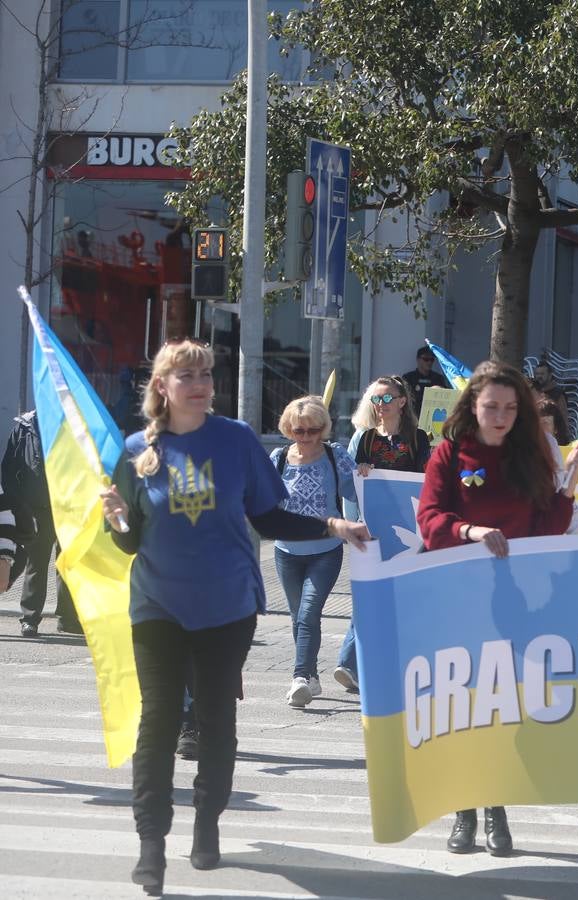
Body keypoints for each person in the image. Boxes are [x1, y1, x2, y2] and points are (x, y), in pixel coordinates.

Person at [98, 339, 369, 895]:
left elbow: (268, 515)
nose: (199, 383)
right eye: (186, 375)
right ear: (163, 386)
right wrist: (118, 520)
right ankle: (151, 844)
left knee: (217, 718)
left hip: (226, 606)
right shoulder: (134, 450)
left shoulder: (237, 440)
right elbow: (126, 545)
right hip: (158, 608)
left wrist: (330, 526)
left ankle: (206, 821)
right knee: (159, 721)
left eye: (205, 374)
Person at [416, 360, 578, 858]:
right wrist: (470, 533)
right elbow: (429, 520)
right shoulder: (449, 454)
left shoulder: (529, 455)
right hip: (456, 595)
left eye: (511, 408)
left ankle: (496, 808)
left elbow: (545, 528)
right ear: (473, 404)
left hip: (515, 599)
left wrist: (568, 489)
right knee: (463, 706)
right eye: (492, 405)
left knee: (503, 708)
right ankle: (465, 811)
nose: (502, 415)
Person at [335, 376, 433, 692]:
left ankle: (392, 665)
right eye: (375, 400)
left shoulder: (418, 439)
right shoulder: (364, 440)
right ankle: (349, 663)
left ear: (402, 401)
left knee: (404, 599)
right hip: (373, 529)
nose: (381, 406)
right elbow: (352, 490)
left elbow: (425, 482)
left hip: (409, 531)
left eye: (387, 399)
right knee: (370, 595)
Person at [270, 396, 360, 709]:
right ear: (288, 429)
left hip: (326, 549)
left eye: (313, 430)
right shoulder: (279, 458)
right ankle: (311, 674)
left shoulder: (335, 456)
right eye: (299, 431)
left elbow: (354, 492)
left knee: (309, 613)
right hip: (286, 551)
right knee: (299, 618)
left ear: (323, 429)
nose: (306, 437)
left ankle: (298, 678)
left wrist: (363, 473)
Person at [2, 410, 81, 637]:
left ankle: (67, 618)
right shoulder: (26, 426)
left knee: (68, 564)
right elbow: (9, 468)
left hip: (69, 506)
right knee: (36, 564)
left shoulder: (74, 420)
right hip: (37, 508)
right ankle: (30, 618)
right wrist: (19, 504)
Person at [401, 345, 450, 419]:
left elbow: (446, 398)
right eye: (426, 359)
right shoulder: (409, 377)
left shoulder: (438, 378)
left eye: (432, 360)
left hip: (433, 418)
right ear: (418, 360)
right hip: (414, 418)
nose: (429, 362)